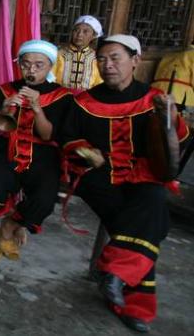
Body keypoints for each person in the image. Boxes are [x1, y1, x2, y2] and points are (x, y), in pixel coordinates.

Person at [62, 35, 189, 333]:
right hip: (97, 175)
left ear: (135, 60)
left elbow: (175, 143)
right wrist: (84, 150)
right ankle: (132, 304)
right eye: (102, 59)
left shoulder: (153, 99)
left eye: (115, 58)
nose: (108, 65)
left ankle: (115, 276)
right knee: (148, 223)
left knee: (151, 203)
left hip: (142, 173)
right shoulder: (84, 101)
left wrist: (170, 116)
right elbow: (67, 139)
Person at [0, 40, 72, 270]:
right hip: (9, 150)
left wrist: (37, 107)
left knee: (45, 199)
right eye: (26, 64)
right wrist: (3, 110)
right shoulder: (4, 90)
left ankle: (10, 224)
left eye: (39, 65)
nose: (31, 70)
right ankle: (15, 216)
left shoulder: (61, 96)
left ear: (50, 66)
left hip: (43, 155)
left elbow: (49, 136)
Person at [52, 15, 104, 91]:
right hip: (60, 96)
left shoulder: (96, 58)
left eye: (85, 31)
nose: (79, 34)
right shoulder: (59, 54)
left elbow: (99, 83)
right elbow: (50, 78)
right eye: (76, 30)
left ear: (94, 36)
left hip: (86, 100)